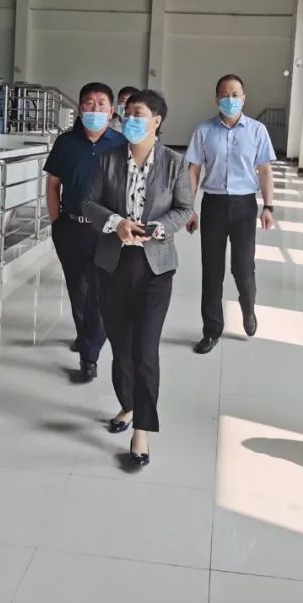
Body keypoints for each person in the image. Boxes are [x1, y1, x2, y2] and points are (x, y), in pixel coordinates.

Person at [83, 90, 193, 466]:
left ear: (156, 121)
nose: (130, 119)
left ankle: (142, 430)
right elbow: (88, 203)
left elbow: (185, 208)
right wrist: (116, 223)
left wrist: (157, 228)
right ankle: (128, 404)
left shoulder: (174, 163)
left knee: (145, 349)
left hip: (155, 268)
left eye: (138, 113)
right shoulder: (107, 160)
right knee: (121, 345)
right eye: (127, 113)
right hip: (113, 264)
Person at [184, 74, 277, 354]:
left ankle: (248, 308)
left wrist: (268, 206)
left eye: (235, 94)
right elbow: (193, 170)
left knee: (243, 268)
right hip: (213, 205)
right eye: (225, 95)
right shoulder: (204, 131)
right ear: (217, 99)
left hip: (244, 206)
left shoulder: (257, 130)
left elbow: (265, 170)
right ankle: (211, 330)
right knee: (212, 271)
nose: (230, 99)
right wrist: (189, 207)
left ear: (244, 98)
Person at [44, 82, 127, 381]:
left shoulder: (121, 144)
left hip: (107, 231)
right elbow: (53, 185)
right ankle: (85, 336)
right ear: (79, 109)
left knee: (102, 292)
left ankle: (90, 356)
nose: (95, 108)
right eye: (89, 103)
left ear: (111, 110)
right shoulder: (66, 143)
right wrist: (56, 222)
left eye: (101, 103)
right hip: (70, 227)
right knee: (78, 289)